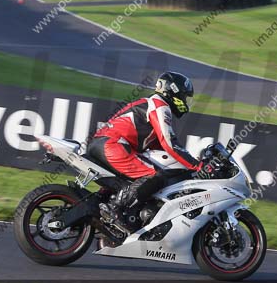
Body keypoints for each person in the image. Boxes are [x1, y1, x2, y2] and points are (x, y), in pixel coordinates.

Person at [87, 71, 202, 231]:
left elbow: (161, 148)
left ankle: (106, 202)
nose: (185, 102)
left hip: (106, 143)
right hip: (113, 145)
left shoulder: (151, 103)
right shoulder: (160, 105)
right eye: (184, 96)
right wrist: (197, 166)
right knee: (154, 175)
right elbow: (169, 143)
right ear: (173, 91)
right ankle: (116, 208)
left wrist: (187, 160)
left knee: (141, 173)